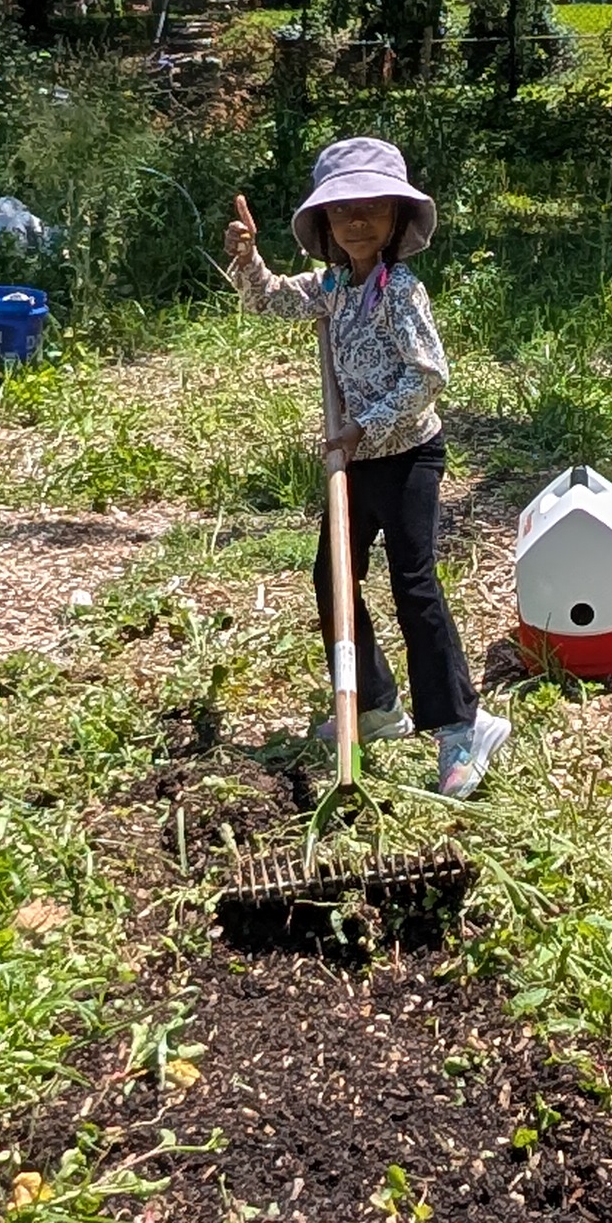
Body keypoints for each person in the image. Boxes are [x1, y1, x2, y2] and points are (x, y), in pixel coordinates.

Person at [227, 134, 511, 798]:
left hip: (407, 454)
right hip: (355, 461)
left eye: (371, 209)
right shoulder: (333, 287)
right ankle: (377, 707)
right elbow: (272, 300)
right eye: (341, 211)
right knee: (333, 578)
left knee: (414, 585)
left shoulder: (400, 292)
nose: (356, 221)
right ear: (325, 223)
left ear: (395, 220)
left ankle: (462, 727)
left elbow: (427, 376)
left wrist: (364, 425)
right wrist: (248, 260)